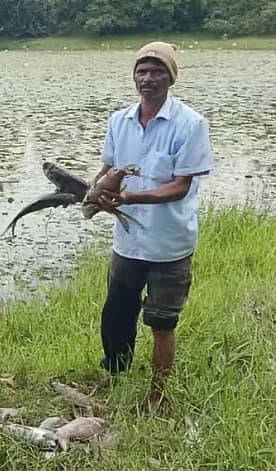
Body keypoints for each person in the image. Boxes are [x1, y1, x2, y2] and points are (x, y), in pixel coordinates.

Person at [94, 41, 214, 412]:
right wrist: (95, 193)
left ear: (170, 78)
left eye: (157, 71)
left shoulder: (190, 124)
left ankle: (157, 395)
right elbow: (108, 169)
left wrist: (129, 199)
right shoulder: (119, 121)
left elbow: (180, 187)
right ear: (134, 76)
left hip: (169, 244)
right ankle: (115, 375)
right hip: (127, 243)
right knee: (116, 315)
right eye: (142, 71)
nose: (148, 78)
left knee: (162, 322)